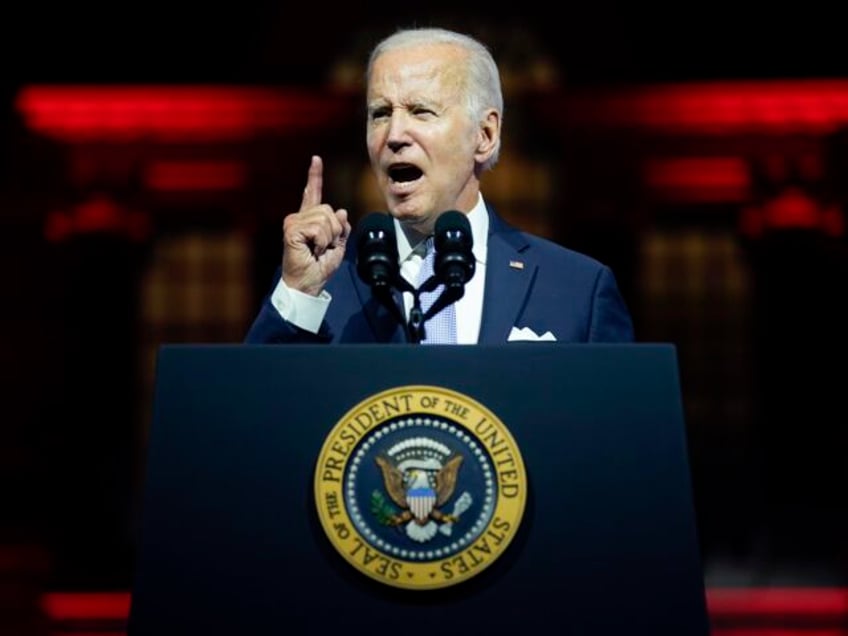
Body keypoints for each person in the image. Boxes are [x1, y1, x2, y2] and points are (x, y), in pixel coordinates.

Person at [245, 27, 634, 345]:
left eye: (421, 111)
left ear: (485, 134)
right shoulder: (324, 284)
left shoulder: (578, 289)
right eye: (379, 114)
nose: (394, 134)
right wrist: (297, 291)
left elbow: (617, 432)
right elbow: (256, 415)